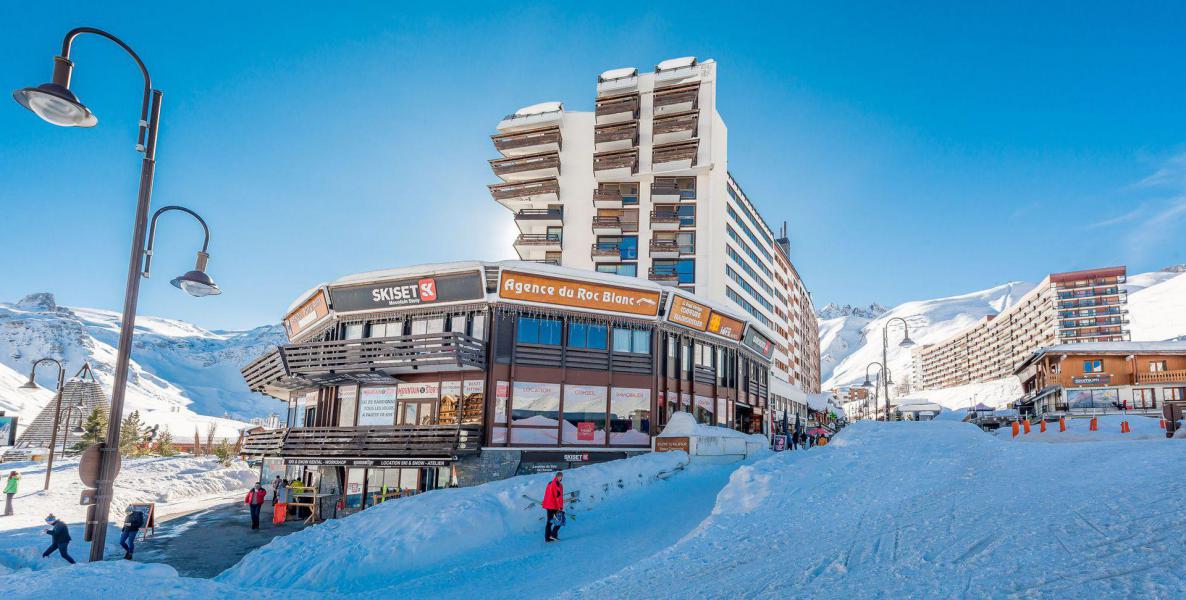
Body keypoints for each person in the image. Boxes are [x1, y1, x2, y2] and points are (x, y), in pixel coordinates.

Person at [541, 471, 564, 542]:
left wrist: (545, 502)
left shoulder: (550, 483)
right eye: (560, 476)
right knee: (560, 521)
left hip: (549, 505)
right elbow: (558, 497)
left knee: (549, 522)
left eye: (561, 476)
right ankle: (553, 535)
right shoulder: (557, 484)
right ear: (558, 477)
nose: (561, 478)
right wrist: (560, 507)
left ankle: (547, 538)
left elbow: (547, 494)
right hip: (554, 506)